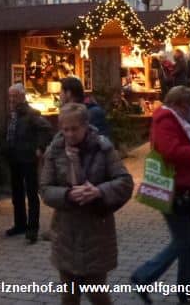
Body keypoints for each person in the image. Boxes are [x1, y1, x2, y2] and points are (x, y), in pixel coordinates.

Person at [40, 103, 133, 304]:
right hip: (66, 234)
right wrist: (67, 195)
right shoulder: (54, 151)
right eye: (65, 129)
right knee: (69, 296)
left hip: (96, 233)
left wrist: (99, 191)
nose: (70, 134)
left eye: (75, 129)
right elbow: (45, 189)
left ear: (85, 126)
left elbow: (125, 182)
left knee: (97, 294)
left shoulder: (102, 148)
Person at [131, 86, 190, 304]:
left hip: (181, 185)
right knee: (183, 240)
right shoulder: (166, 121)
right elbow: (171, 152)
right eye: (189, 105)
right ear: (179, 105)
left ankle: (187, 289)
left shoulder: (174, 119)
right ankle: (143, 276)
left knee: (188, 240)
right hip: (174, 188)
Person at [5, 83, 53, 243]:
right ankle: (20, 224)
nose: (11, 99)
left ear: (22, 96)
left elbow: (46, 128)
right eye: (10, 96)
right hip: (14, 158)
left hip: (27, 158)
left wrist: (39, 147)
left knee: (31, 193)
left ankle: (32, 228)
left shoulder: (31, 113)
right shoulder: (11, 114)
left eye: (14, 96)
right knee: (16, 193)